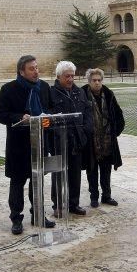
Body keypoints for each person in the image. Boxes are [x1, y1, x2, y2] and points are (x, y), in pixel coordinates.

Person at [0, 55, 56, 235]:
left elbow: (51, 109)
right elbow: (0, 115)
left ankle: (38, 214)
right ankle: (16, 218)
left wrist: (47, 118)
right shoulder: (9, 89)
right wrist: (19, 117)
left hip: (40, 143)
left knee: (37, 181)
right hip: (18, 146)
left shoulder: (44, 87)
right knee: (17, 182)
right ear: (21, 71)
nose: (36, 71)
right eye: (32, 68)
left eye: (37, 68)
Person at [49, 60, 93, 216]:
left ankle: (74, 204)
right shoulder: (51, 93)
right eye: (67, 76)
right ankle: (58, 205)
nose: (70, 79)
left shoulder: (79, 92)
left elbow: (87, 112)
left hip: (77, 141)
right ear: (59, 76)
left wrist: (86, 130)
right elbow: (46, 117)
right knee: (58, 174)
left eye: (72, 76)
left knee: (75, 174)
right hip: (58, 141)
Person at [82, 68, 124, 207]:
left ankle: (107, 195)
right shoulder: (83, 94)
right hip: (91, 141)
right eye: (94, 80)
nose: (97, 83)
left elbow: (118, 115)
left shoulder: (108, 94)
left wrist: (114, 133)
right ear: (89, 81)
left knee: (106, 170)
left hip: (107, 140)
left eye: (99, 80)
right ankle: (94, 197)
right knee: (92, 171)